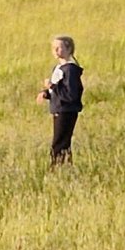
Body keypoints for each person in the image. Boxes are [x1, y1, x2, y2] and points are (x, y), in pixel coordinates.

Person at [37, 35, 83, 166]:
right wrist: (46, 93)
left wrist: (51, 86)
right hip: (59, 108)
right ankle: (65, 167)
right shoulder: (58, 68)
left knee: (59, 142)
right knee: (63, 141)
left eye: (59, 47)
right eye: (53, 48)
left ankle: (56, 167)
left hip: (66, 110)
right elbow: (59, 91)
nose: (55, 51)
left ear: (69, 49)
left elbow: (70, 94)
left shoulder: (70, 70)